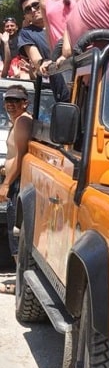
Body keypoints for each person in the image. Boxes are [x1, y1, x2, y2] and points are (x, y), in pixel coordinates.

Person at [0, 84, 32, 290]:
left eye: (15, 100)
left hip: (17, 183)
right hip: (13, 180)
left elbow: (20, 157)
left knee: (15, 232)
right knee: (15, 232)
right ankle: (19, 281)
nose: (10, 104)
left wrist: (6, 184)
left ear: (24, 103)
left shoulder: (22, 122)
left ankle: (19, 285)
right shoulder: (18, 121)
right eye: (7, 100)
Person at [17, 0, 69, 102]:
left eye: (36, 5)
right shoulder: (26, 33)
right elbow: (37, 60)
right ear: (25, 16)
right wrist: (43, 63)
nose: (33, 10)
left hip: (88, 78)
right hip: (63, 90)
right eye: (27, 9)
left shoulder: (63, 20)